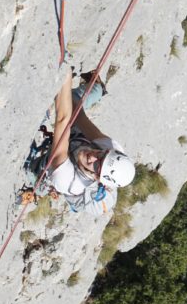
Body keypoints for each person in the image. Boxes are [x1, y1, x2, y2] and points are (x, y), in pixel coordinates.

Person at [49, 66, 135, 215]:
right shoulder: (110, 147)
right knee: (73, 98)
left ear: (97, 178)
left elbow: (62, 119)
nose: (93, 157)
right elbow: (79, 117)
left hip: (56, 158)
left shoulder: (68, 182)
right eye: (102, 155)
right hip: (75, 137)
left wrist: (64, 72)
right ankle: (97, 89)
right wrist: (64, 86)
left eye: (97, 165)